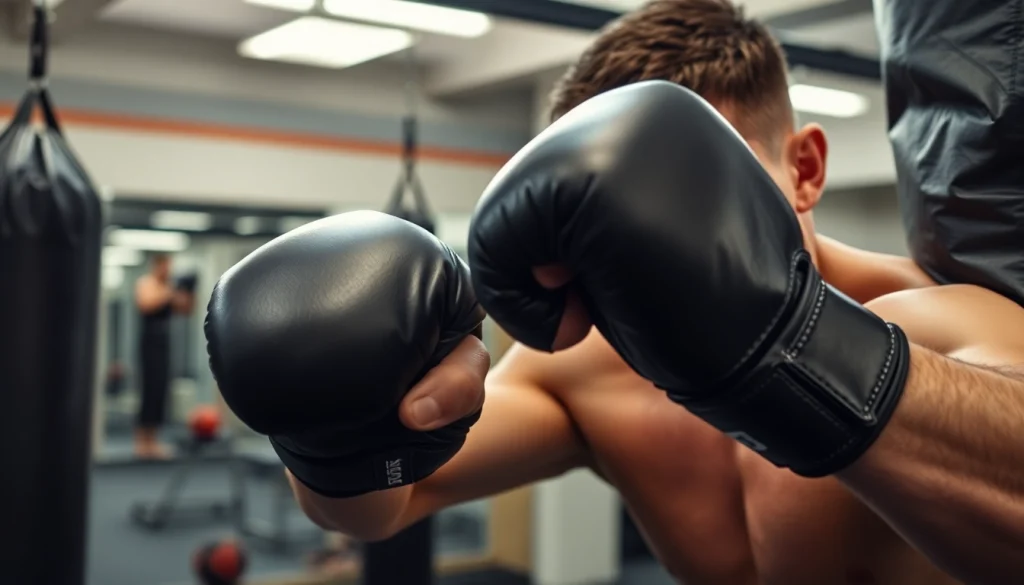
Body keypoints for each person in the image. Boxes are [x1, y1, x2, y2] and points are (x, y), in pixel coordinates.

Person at [205, 2, 1024, 584]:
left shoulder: (938, 321)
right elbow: (385, 502)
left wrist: (790, 347)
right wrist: (332, 422)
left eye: (708, 190)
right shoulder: (586, 370)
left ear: (804, 168)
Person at [134, 253, 195, 459]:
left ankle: (154, 441)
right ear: (157, 266)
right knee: (149, 389)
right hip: (149, 342)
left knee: (161, 389)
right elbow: (146, 304)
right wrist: (170, 291)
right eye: (166, 266)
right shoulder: (147, 283)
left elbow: (185, 310)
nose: (168, 270)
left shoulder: (169, 286)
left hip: (164, 341)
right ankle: (142, 442)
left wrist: (189, 290)